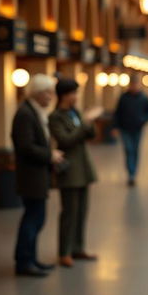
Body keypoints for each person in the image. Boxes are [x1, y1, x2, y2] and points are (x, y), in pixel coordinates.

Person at [12, 74, 65, 277]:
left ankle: (31, 258)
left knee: (37, 218)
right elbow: (25, 146)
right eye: (49, 93)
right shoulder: (25, 114)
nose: (51, 97)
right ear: (38, 93)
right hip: (30, 176)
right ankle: (24, 261)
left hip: (37, 175)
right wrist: (49, 155)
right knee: (33, 219)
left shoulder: (35, 112)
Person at [48, 77, 103, 268]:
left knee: (82, 212)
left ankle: (78, 247)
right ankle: (64, 251)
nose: (76, 97)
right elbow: (65, 140)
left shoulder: (76, 113)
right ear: (64, 95)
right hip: (69, 171)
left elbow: (91, 135)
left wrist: (89, 122)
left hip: (83, 169)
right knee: (69, 213)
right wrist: (84, 122)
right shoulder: (55, 117)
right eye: (73, 93)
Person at [112, 73, 148, 186]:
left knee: (135, 150)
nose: (134, 87)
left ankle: (134, 172)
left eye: (136, 84)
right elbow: (117, 113)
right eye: (132, 84)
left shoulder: (144, 98)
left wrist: (144, 120)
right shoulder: (123, 97)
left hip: (137, 129)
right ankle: (130, 174)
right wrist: (115, 127)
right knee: (128, 150)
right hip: (125, 129)